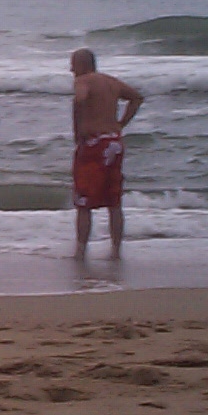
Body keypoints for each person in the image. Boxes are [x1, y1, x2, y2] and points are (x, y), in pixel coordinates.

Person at [70, 48, 144, 261]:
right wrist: (121, 123)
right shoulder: (111, 82)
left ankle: (81, 251)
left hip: (94, 144)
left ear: (83, 65)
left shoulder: (83, 80)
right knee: (114, 201)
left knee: (84, 201)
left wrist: (78, 128)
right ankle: (116, 250)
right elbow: (137, 98)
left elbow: (80, 98)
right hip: (114, 142)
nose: (71, 69)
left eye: (73, 64)